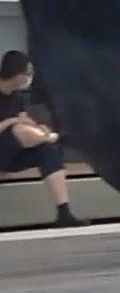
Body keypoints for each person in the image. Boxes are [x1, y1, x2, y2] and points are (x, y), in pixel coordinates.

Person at [0, 43, 75, 224]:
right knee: (17, 129)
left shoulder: (16, 97)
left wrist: (40, 127)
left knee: (49, 151)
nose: (28, 78)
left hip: (12, 153)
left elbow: (24, 119)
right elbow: (17, 123)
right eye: (27, 74)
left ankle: (64, 212)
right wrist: (12, 121)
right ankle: (54, 138)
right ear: (16, 73)